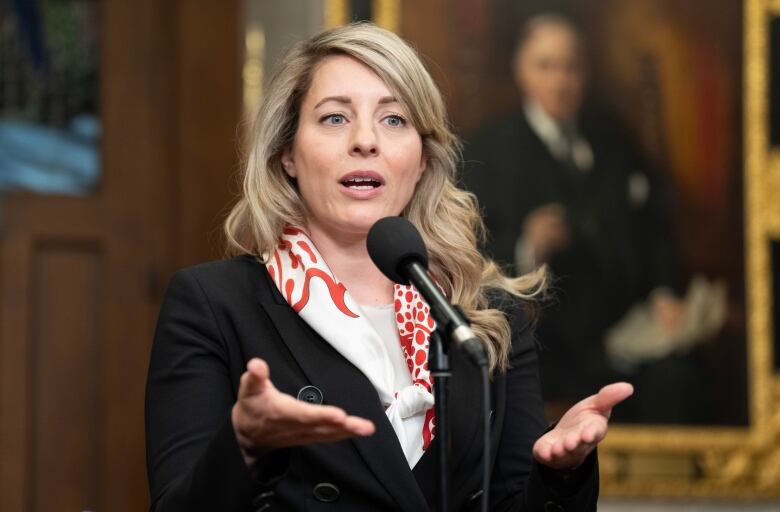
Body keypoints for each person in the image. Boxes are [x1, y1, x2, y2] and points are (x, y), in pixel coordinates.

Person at [145, 22, 632, 511]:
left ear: (422, 159)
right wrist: (245, 449)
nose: (365, 141)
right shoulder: (213, 306)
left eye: (394, 120)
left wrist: (560, 474)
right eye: (335, 118)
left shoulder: (485, 319)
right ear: (287, 153)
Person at [463, 14, 682, 411]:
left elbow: (654, 226)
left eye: (571, 67)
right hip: (550, 343)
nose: (559, 81)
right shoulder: (489, 151)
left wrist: (664, 291)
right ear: (520, 71)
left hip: (629, 328)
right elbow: (472, 255)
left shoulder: (612, 137)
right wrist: (528, 245)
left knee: (680, 383)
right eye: (545, 66)